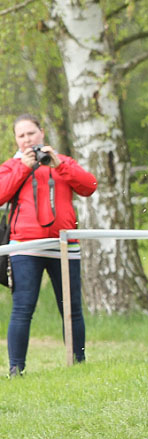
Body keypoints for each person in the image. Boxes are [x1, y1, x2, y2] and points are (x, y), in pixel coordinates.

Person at [0, 114, 97, 377]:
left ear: (41, 133)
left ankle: (78, 363)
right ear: (15, 140)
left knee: (71, 308)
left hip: (64, 244)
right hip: (25, 247)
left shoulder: (62, 161)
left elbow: (90, 186)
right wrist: (23, 167)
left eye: (30, 133)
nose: (27, 140)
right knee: (22, 308)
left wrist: (59, 165)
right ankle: (16, 369)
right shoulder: (10, 166)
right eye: (21, 136)